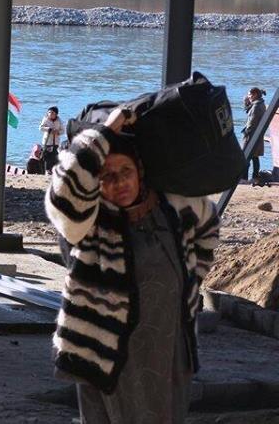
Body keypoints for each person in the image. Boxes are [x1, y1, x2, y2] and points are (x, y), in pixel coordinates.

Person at [45, 107, 220, 424]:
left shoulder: (170, 207)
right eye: (106, 177)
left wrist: (190, 279)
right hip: (106, 355)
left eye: (125, 171)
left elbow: (208, 225)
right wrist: (105, 132)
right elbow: (64, 192)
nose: (118, 183)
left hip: (168, 350)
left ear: (140, 169)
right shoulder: (87, 222)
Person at [243, 87, 267, 184]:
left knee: (246, 156)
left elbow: (252, 122)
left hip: (252, 135)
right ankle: (254, 177)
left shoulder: (256, 106)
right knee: (254, 156)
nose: (248, 96)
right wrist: (247, 103)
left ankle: (244, 178)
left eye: (249, 94)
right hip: (256, 135)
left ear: (255, 94)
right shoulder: (260, 104)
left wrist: (246, 132)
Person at [39, 106, 64, 174]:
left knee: (54, 155)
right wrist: (48, 129)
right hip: (47, 141)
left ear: (56, 114)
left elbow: (63, 130)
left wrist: (58, 132)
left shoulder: (59, 120)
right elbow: (41, 128)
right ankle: (47, 170)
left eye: (52, 112)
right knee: (47, 156)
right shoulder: (45, 119)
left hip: (56, 141)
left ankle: (55, 170)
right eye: (49, 112)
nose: (50, 114)